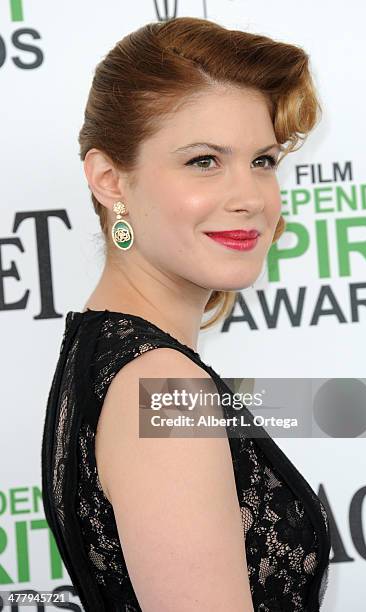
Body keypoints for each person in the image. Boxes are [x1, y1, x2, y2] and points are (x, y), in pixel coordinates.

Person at [41, 16, 331, 612]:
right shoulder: (158, 386)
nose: (251, 197)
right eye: (204, 161)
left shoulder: (110, 357)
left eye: (264, 161)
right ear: (109, 179)